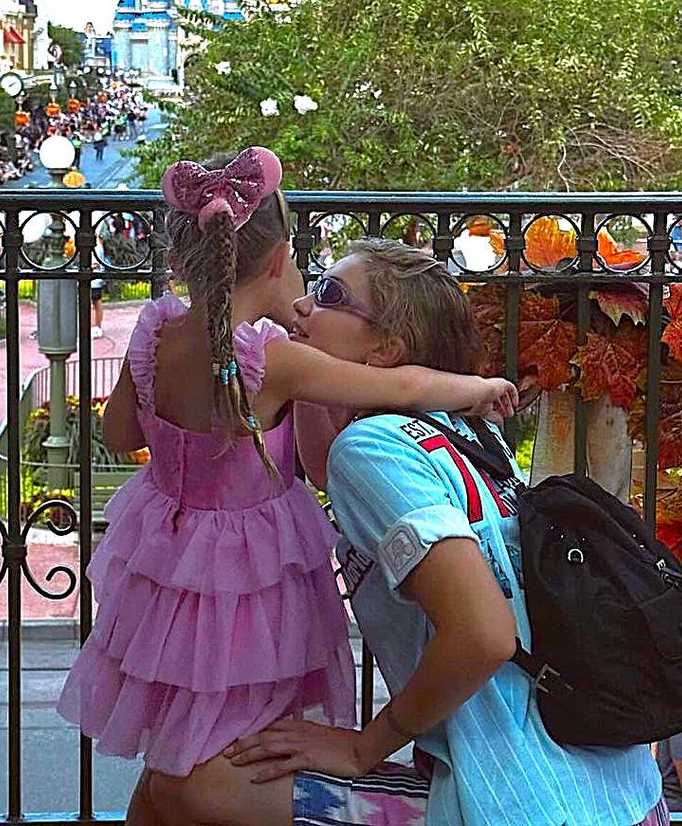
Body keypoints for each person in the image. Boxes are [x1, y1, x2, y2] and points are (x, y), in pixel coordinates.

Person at [140, 238, 667, 826]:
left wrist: (364, 746)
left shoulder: (374, 449)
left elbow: (485, 634)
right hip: (616, 795)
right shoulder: (465, 436)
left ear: (386, 351)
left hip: (518, 798)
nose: (306, 307)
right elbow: (317, 460)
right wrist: (310, 380)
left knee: (188, 784)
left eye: (331, 295)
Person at [56, 150, 517, 814]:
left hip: (165, 560)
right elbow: (403, 384)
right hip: (246, 578)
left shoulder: (156, 333)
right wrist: (478, 389)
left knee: (174, 761)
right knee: (230, 742)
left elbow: (119, 434)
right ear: (277, 262)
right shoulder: (271, 361)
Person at [91, 233, 106, 337]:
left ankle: (95, 326)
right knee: (96, 302)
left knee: (94, 302)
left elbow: (95, 264)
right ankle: (96, 325)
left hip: (93, 280)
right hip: (96, 279)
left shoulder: (95, 247)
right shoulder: (98, 245)